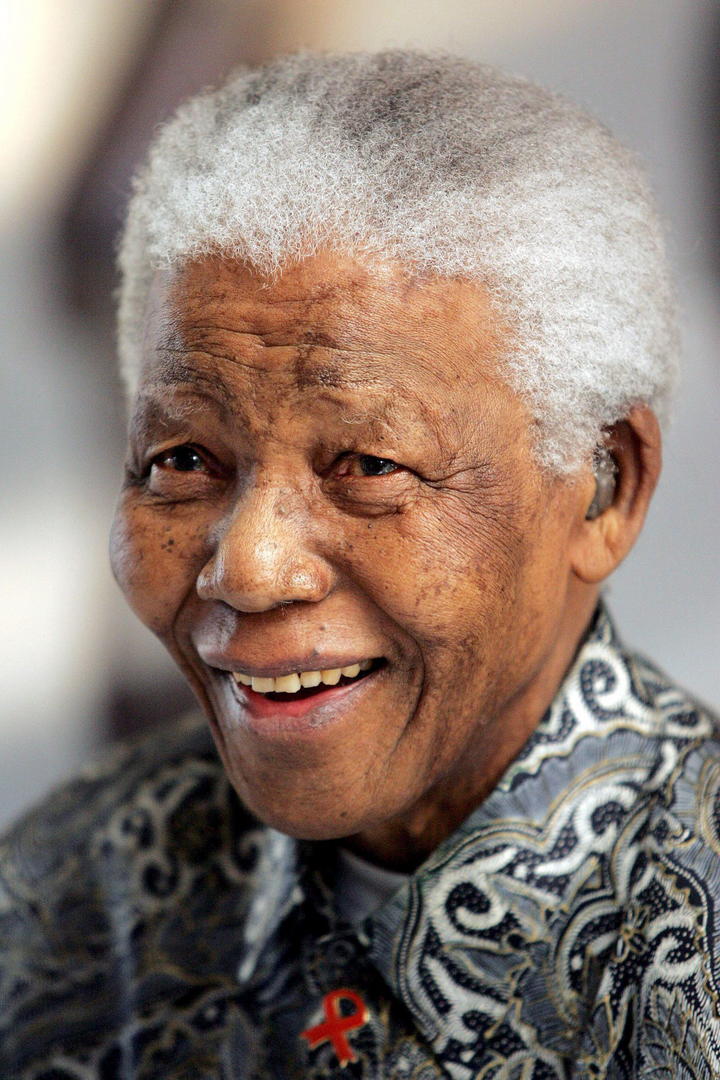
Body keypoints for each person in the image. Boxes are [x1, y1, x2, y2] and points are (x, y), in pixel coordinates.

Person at [1, 50, 718, 1079]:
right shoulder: (67, 889)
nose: (249, 568)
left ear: (606, 486)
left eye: (370, 466)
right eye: (184, 460)